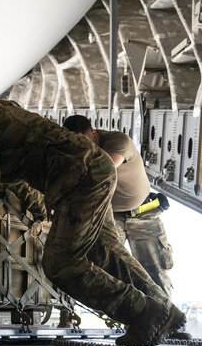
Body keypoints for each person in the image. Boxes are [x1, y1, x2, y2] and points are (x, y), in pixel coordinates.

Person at [0, 81, 184, 346]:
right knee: (107, 252)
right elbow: (12, 161)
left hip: (77, 179)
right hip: (92, 170)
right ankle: (167, 313)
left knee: (61, 265)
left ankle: (144, 313)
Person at [62, 115, 175, 297]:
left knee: (155, 273)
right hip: (113, 216)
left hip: (142, 214)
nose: (80, 147)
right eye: (74, 143)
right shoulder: (73, 149)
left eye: (83, 141)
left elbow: (104, 170)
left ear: (93, 133)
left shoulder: (117, 141)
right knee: (113, 269)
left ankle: (168, 317)